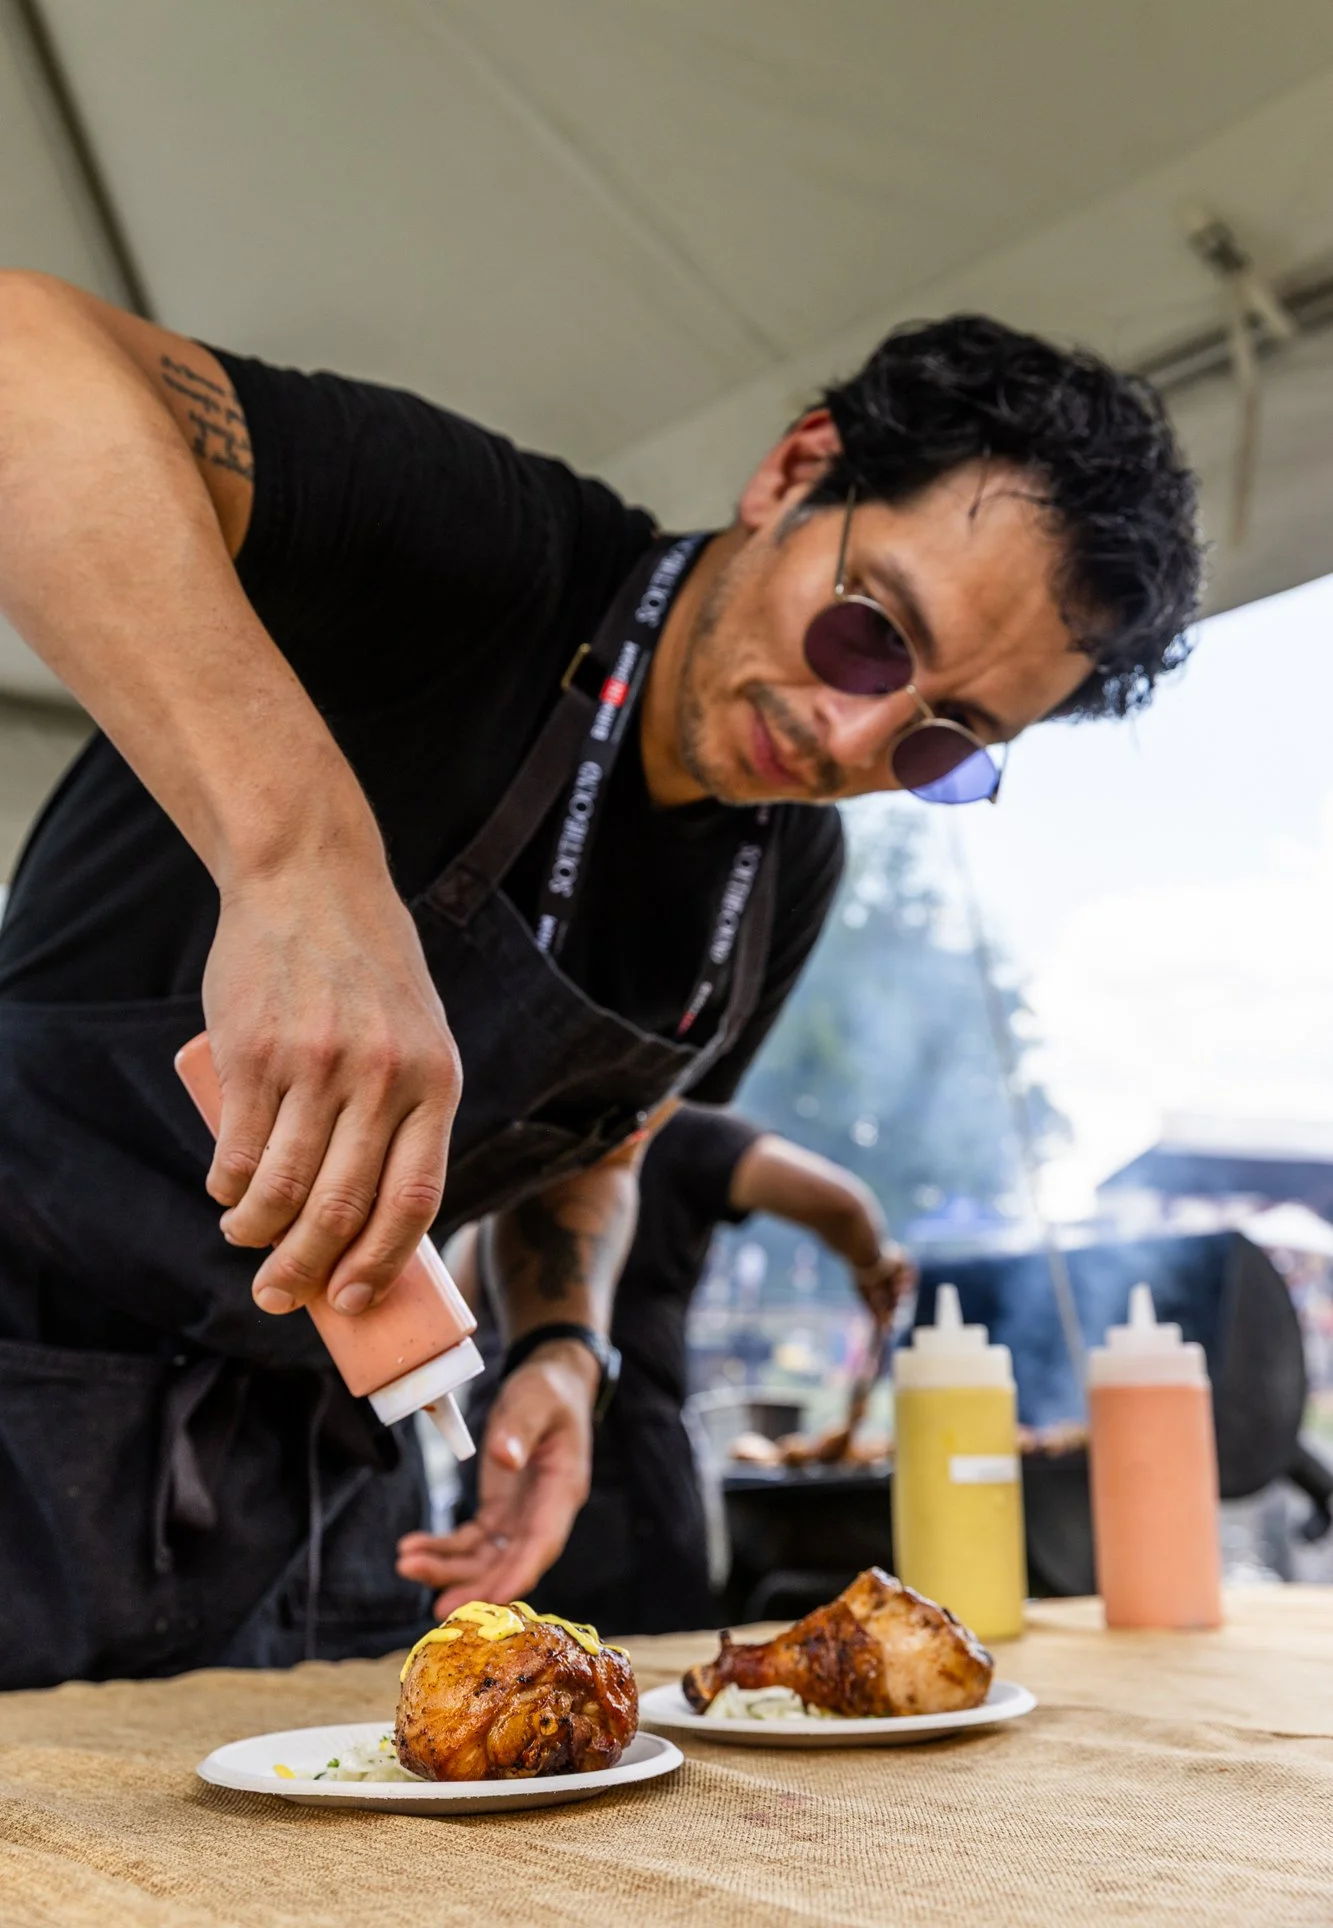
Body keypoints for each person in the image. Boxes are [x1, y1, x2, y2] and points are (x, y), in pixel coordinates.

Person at [0, 271, 1200, 1687]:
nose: (848, 729)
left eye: (939, 742)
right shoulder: (488, 552)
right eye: (872, 628)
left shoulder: (782, 879)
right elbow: (24, 355)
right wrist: (300, 858)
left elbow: (600, 1139)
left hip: (325, 1480)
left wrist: (562, 1347)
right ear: (796, 469)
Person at [401, 1106, 911, 1634]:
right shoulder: (678, 1127)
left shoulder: (522, 1126)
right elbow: (843, 1205)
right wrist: (875, 1265)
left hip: (507, 1468)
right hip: (619, 1475)